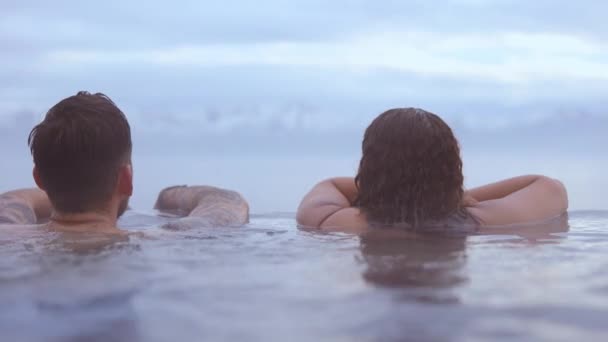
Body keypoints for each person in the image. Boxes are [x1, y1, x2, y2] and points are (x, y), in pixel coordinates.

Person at [0, 91, 249, 234]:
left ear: (39, 179)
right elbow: (228, 202)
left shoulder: (9, 235)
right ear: (126, 180)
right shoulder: (169, 239)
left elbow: (14, 200)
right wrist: (168, 195)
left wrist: (65, 183)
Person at [297, 108, 568, 233]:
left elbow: (330, 184)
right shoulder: (484, 221)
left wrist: (394, 188)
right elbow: (548, 185)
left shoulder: (331, 221)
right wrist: (447, 194)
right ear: (452, 165)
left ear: (369, 165)